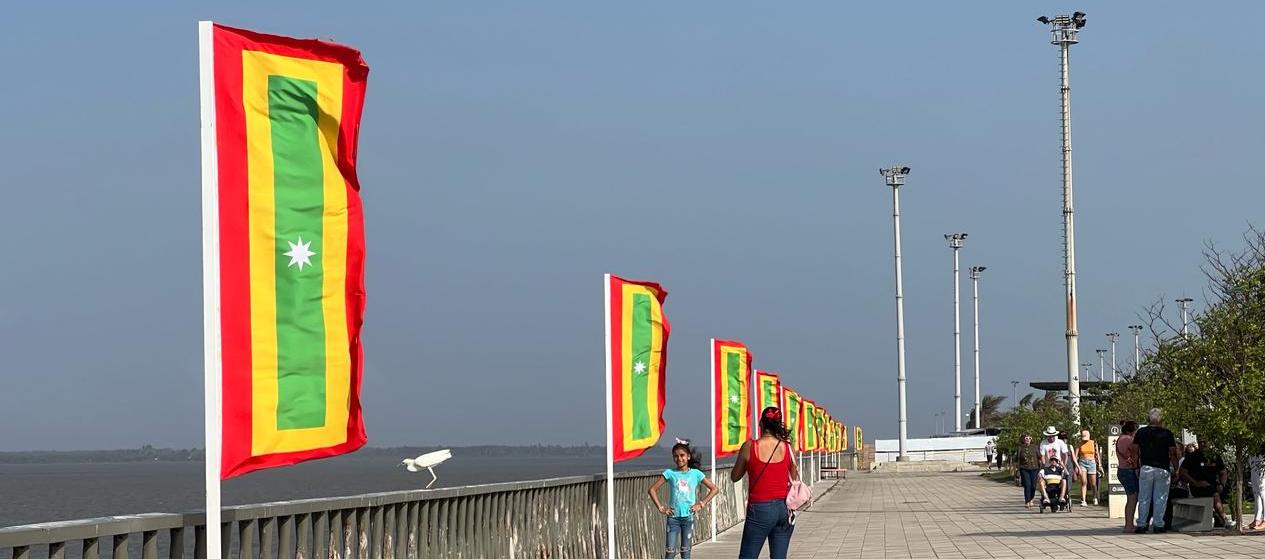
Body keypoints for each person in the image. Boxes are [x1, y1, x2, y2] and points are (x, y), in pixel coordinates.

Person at [731, 407, 800, 559]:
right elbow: (793, 479)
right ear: (778, 424)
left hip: (759, 508)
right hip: (784, 508)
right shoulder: (788, 448)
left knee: (748, 555)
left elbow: (735, 477)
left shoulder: (749, 446)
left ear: (761, 423)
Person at [648, 439, 719, 559]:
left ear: (688, 457)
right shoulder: (669, 473)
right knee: (670, 551)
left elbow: (714, 489)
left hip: (688, 517)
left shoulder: (696, 474)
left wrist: (701, 504)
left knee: (686, 552)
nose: (679, 458)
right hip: (673, 518)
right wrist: (661, 508)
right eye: (676, 456)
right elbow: (652, 490)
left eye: (682, 455)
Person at [1132, 408, 1180, 534]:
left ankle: (1142, 524)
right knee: (1160, 498)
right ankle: (1158, 524)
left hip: (1146, 467)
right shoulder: (1167, 433)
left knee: (1144, 498)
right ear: (1161, 419)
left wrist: (1136, 467)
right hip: (1162, 468)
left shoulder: (1141, 432)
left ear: (1149, 418)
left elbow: (1135, 451)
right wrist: (1176, 468)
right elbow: (1173, 453)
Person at [1115, 421, 1140, 533]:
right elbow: (1136, 452)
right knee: (1132, 498)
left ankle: (1129, 524)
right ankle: (1129, 525)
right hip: (1128, 470)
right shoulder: (1128, 440)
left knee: (1131, 498)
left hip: (1122, 470)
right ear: (1132, 431)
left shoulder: (1120, 439)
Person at [1075, 429, 1101, 506]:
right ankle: (1083, 500)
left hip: (1092, 462)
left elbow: (1097, 454)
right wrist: (1076, 466)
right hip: (1082, 462)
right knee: (1084, 482)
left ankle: (1095, 497)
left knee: (1093, 483)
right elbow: (1076, 456)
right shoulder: (1079, 444)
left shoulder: (1093, 443)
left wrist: (1099, 465)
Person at [1016, 433, 1042, 509]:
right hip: (1024, 469)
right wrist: (1017, 470)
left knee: (1033, 485)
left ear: (1031, 439)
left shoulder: (1035, 447)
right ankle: (1027, 501)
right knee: (1027, 485)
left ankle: (1031, 499)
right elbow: (1018, 460)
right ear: (1023, 439)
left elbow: (1039, 457)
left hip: (1034, 468)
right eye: (1026, 438)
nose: (1027, 440)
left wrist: (1041, 467)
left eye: (1029, 438)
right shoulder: (1020, 448)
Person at [1248, 447, 1265, 530]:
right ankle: (1257, 519)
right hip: (1254, 460)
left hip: (1262, 462)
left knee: (1263, 491)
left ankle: (1264, 520)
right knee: (1256, 492)